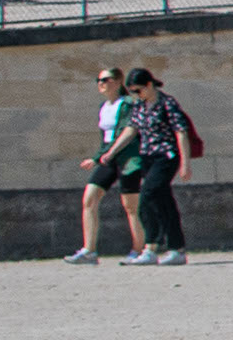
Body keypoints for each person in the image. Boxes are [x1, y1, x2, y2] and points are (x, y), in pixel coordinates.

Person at [111, 66, 199, 263]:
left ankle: (151, 246)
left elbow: (181, 132)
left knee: (147, 196)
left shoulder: (167, 103)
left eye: (138, 90)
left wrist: (185, 163)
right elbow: (131, 129)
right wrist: (111, 152)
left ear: (149, 85)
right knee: (163, 201)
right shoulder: (139, 106)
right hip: (148, 158)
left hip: (166, 157)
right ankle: (176, 249)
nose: (136, 94)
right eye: (132, 91)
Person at [66, 65, 129, 262]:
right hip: (108, 159)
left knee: (132, 205)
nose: (101, 84)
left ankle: (145, 247)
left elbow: (125, 132)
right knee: (89, 199)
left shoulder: (126, 103)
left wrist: (110, 153)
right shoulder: (104, 108)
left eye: (106, 80)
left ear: (118, 82)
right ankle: (89, 250)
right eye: (99, 80)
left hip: (126, 158)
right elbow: (105, 139)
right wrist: (96, 158)